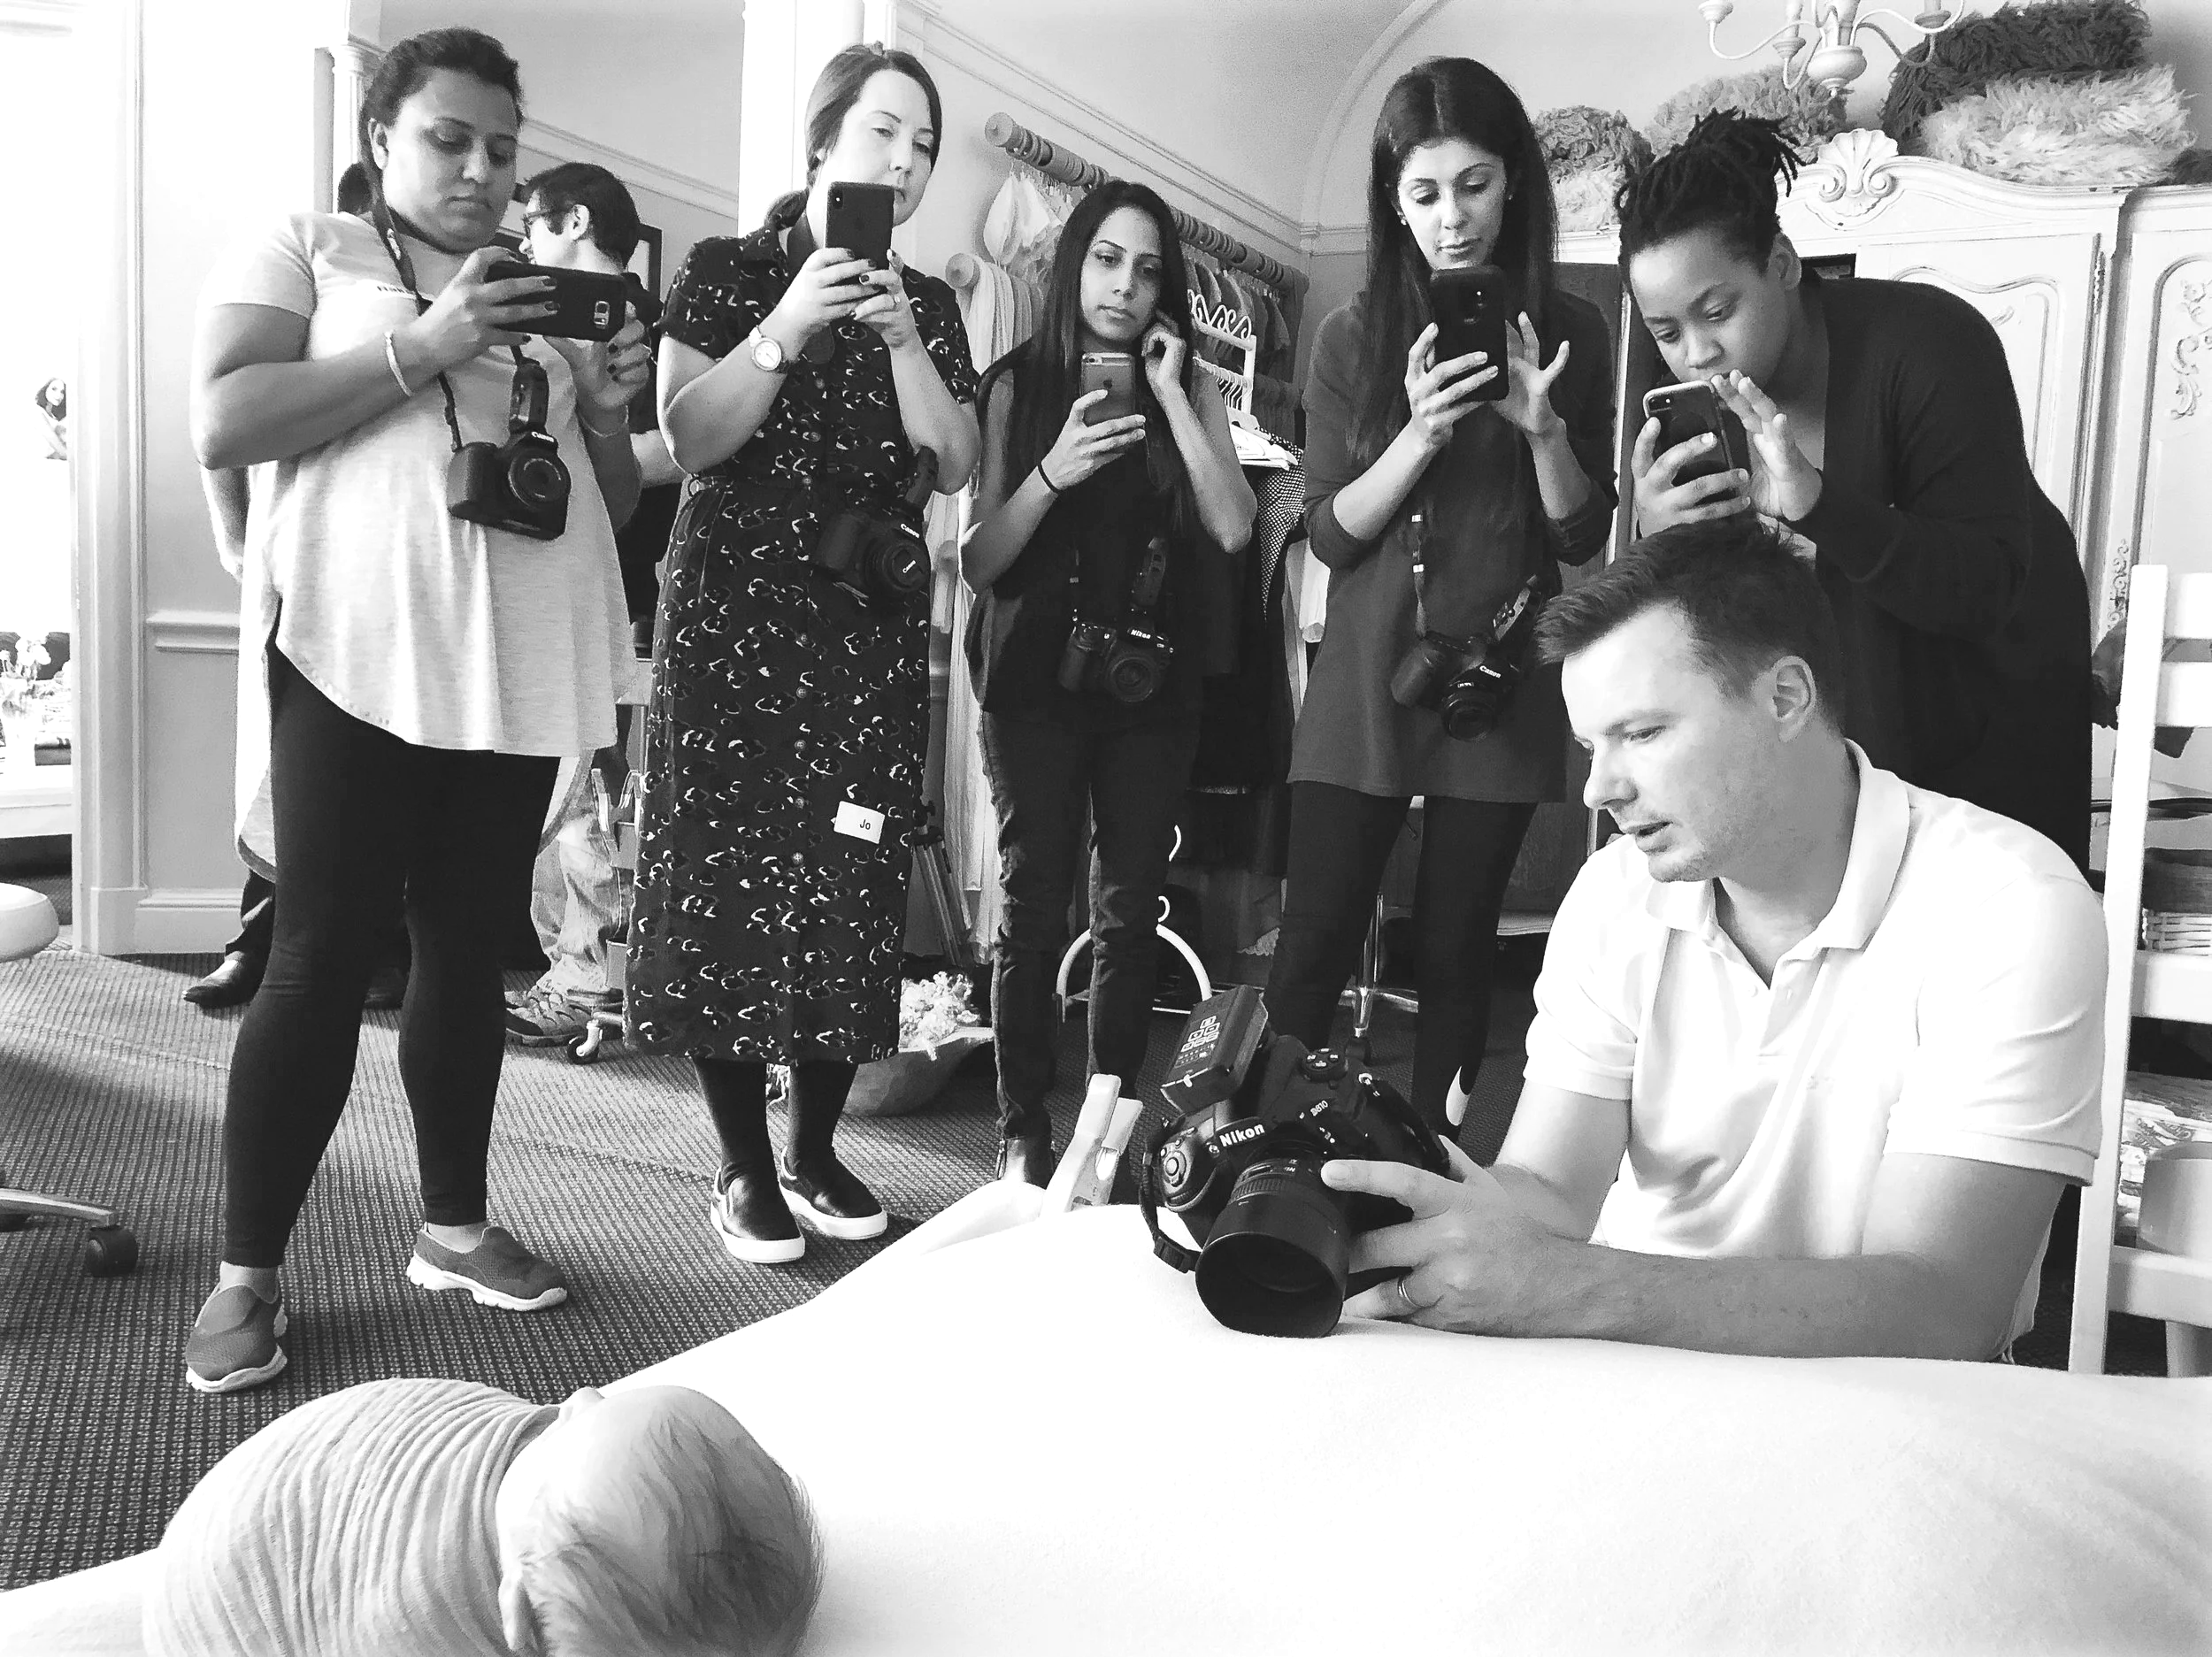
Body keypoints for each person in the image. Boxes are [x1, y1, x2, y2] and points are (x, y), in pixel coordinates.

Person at [1325, 517, 2102, 1361]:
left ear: (1785, 697)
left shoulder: (2009, 905)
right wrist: (1390, 1210)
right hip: (1622, 1368)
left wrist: (1558, 1285)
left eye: (1644, 733)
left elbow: (1939, 1307)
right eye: (1591, 745)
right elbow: (1548, 1188)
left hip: (1884, 1412)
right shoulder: (1616, 894)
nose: (1597, 788)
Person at [182, 27, 650, 1393]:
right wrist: (429, 341)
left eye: (501, 147)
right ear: (385, 137)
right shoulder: (308, 247)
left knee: (468, 945)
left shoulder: (542, 294)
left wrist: (612, 412)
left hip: (510, 657)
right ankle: (246, 1273)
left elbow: (605, 506)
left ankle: (450, 1227)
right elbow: (227, 419)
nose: (479, 167)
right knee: (322, 952)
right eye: (449, 138)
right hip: (351, 647)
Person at [626, 43, 978, 1262]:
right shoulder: (729, 273)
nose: (906, 161)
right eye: (885, 133)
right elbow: (687, 435)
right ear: (826, 140)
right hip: (731, 629)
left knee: (847, 883)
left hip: (863, 644)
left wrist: (899, 345)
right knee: (726, 885)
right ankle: (739, 1166)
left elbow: (962, 459)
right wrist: (786, 327)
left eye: (924, 145)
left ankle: (817, 1149)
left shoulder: (926, 306)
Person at [1264, 57, 1617, 1147]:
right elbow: (1328, 529)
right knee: (1315, 934)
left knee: (1462, 941)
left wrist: (1541, 428)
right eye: (1422, 193)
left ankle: (1430, 1166)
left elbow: (1579, 533)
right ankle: (1263, 1150)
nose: (1450, 218)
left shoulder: (1570, 328)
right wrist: (1417, 430)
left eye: (1471, 185)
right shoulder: (1349, 336)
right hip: (1364, 676)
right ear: (1392, 201)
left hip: (1498, 680)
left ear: (1512, 183)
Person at [1617, 111, 2093, 870]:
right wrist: (1659, 540)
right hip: (1838, 764)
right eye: (1667, 332)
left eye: (1717, 312)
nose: (1698, 354)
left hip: (1991, 732)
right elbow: (1722, 637)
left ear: (1782, 263)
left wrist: (1816, 504)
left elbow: (1981, 587)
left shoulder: (1931, 344)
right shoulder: (1686, 411)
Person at [962, 181, 1256, 1185]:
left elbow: (1232, 525)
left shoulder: (1191, 388)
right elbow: (980, 563)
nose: (1123, 285)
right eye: (1105, 259)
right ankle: (1021, 1131)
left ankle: (1107, 1127)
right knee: (1033, 905)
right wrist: (1051, 472)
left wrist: (1175, 396)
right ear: (1072, 262)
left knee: (1129, 911)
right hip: (1035, 684)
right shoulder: (1015, 385)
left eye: (1144, 268)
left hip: (1149, 690)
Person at [187, 166, 414, 1017]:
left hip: (421, 590)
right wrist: (235, 534)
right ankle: (256, 940)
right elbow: (222, 425)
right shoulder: (309, 272)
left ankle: (381, 946)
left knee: (396, 799)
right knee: (293, 785)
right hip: (314, 583)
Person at [142, 1378, 820, 1656]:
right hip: (219, 1602)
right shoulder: (412, 1613)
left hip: (289, 1490)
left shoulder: (558, 1463)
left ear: (519, 1620)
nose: (580, 1394)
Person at [503, 160, 687, 1047]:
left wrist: (593, 430)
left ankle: (592, 985)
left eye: (534, 224)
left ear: (573, 222)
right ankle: (587, 980)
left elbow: (689, 448)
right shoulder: (538, 329)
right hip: (586, 590)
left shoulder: (650, 326)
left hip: (624, 596)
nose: (526, 243)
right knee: (594, 798)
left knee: (601, 804)